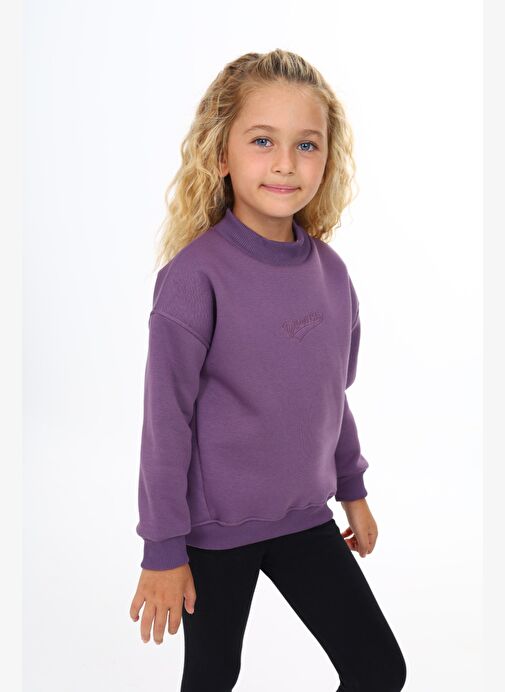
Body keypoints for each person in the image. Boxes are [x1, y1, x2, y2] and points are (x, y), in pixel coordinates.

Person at [129, 49, 407, 692]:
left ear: (327, 158)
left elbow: (330, 396)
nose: (285, 162)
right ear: (221, 154)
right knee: (213, 676)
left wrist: (353, 488)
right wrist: (162, 549)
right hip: (214, 532)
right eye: (262, 141)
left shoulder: (331, 274)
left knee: (377, 670)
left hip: (304, 516)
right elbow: (165, 426)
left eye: (306, 144)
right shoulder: (193, 279)